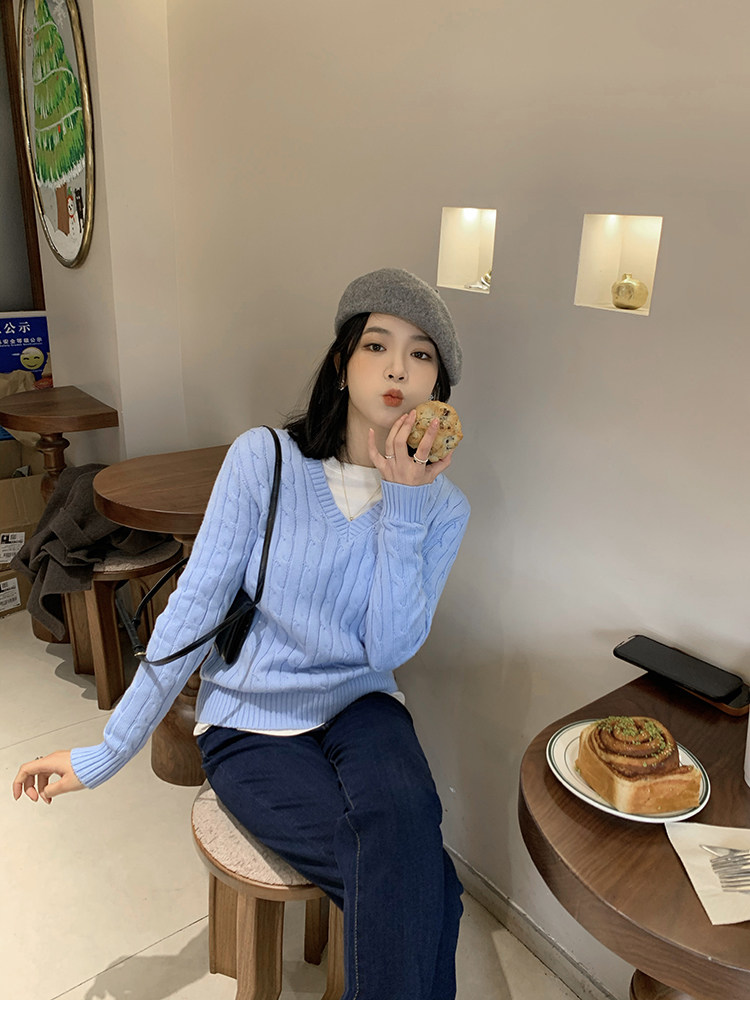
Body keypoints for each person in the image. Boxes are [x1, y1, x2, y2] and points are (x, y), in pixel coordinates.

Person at [12, 267, 471, 1000]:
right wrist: (109, 750)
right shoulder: (266, 459)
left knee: (405, 837)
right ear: (341, 362)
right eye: (376, 345)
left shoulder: (443, 510)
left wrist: (406, 506)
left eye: (420, 355)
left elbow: (387, 651)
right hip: (252, 717)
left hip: (365, 705)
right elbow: (193, 611)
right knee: (426, 881)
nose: (396, 368)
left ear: (437, 388)